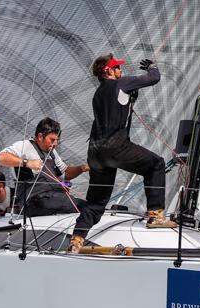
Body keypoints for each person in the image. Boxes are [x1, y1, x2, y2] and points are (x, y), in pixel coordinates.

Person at [69, 54, 174, 253]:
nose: (121, 71)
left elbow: (117, 105)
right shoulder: (121, 84)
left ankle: (77, 238)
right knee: (156, 164)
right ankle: (156, 215)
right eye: (117, 68)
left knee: (96, 203)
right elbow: (154, 78)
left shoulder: (98, 94)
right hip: (116, 147)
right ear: (108, 71)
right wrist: (152, 66)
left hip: (95, 153)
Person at [0, 117, 88, 216]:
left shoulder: (52, 152)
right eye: (52, 140)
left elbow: (65, 173)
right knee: (84, 207)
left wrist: (81, 168)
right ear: (40, 136)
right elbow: (1, 157)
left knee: (85, 205)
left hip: (52, 199)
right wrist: (27, 163)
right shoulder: (25, 146)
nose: (56, 144)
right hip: (33, 202)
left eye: (57, 140)